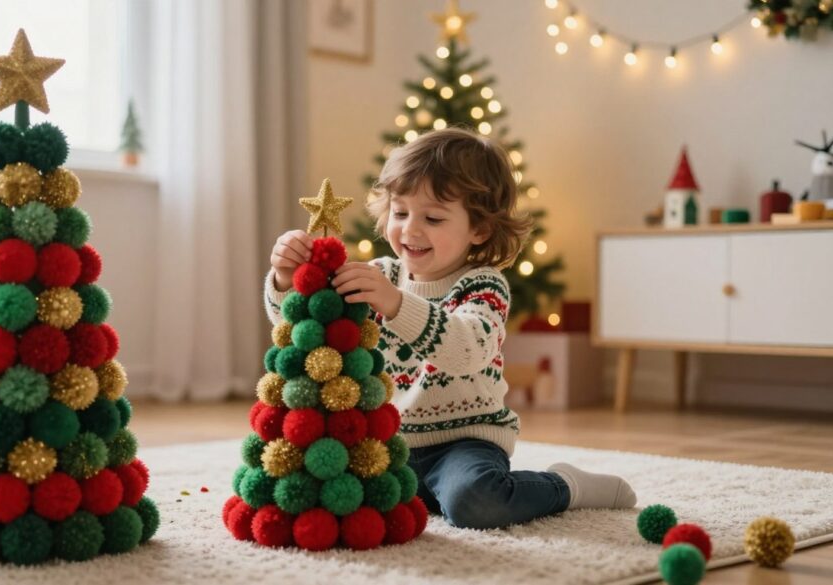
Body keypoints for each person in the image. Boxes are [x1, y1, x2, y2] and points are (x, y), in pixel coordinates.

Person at [264, 127, 636, 529]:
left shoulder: (482, 284)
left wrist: (396, 304)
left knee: (476, 502)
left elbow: (465, 349)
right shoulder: (381, 275)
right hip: (384, 445)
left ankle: (564, 485)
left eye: (434, 217)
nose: (409, 229)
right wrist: (287, 279)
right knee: (314, 488)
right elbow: (307, 333)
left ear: (479, 228)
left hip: (462, 444)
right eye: (400, 212)